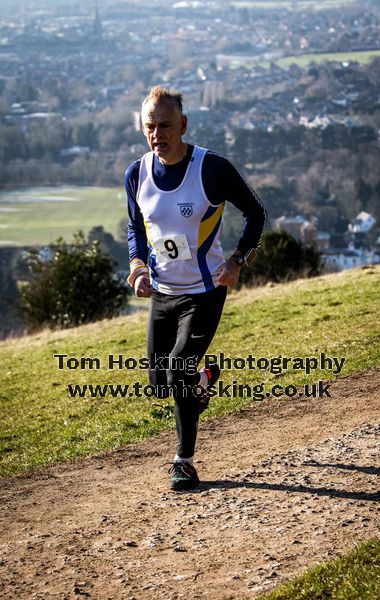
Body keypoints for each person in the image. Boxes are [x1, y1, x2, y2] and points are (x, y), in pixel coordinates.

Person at [125, 85, 267, 491]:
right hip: (163, 292)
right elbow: (136, 226)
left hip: (204, 292)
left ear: (182, 125)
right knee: (159, 383)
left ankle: (184, 461)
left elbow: (256, 212)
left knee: (177, 371)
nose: (157, 134)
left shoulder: (211, 168)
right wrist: (138, 266)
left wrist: (238, 260)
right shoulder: (136, 173)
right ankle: (203, 380)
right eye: (149, 127)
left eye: (165, 125)